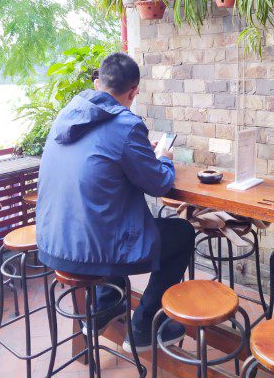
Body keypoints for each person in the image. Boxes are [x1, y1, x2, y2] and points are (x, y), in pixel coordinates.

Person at [36, 52, 195, 352]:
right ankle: (144, 324)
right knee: (182, 233)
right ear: (133, 91)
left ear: (98, 83)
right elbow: (158, 183)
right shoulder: (127, 126)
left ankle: (105, 305)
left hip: (54, 242)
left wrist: (137, 152)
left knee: (106, 218)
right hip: (91, 250)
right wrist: (164, 159)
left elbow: (100, 162)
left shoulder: (66, 116)